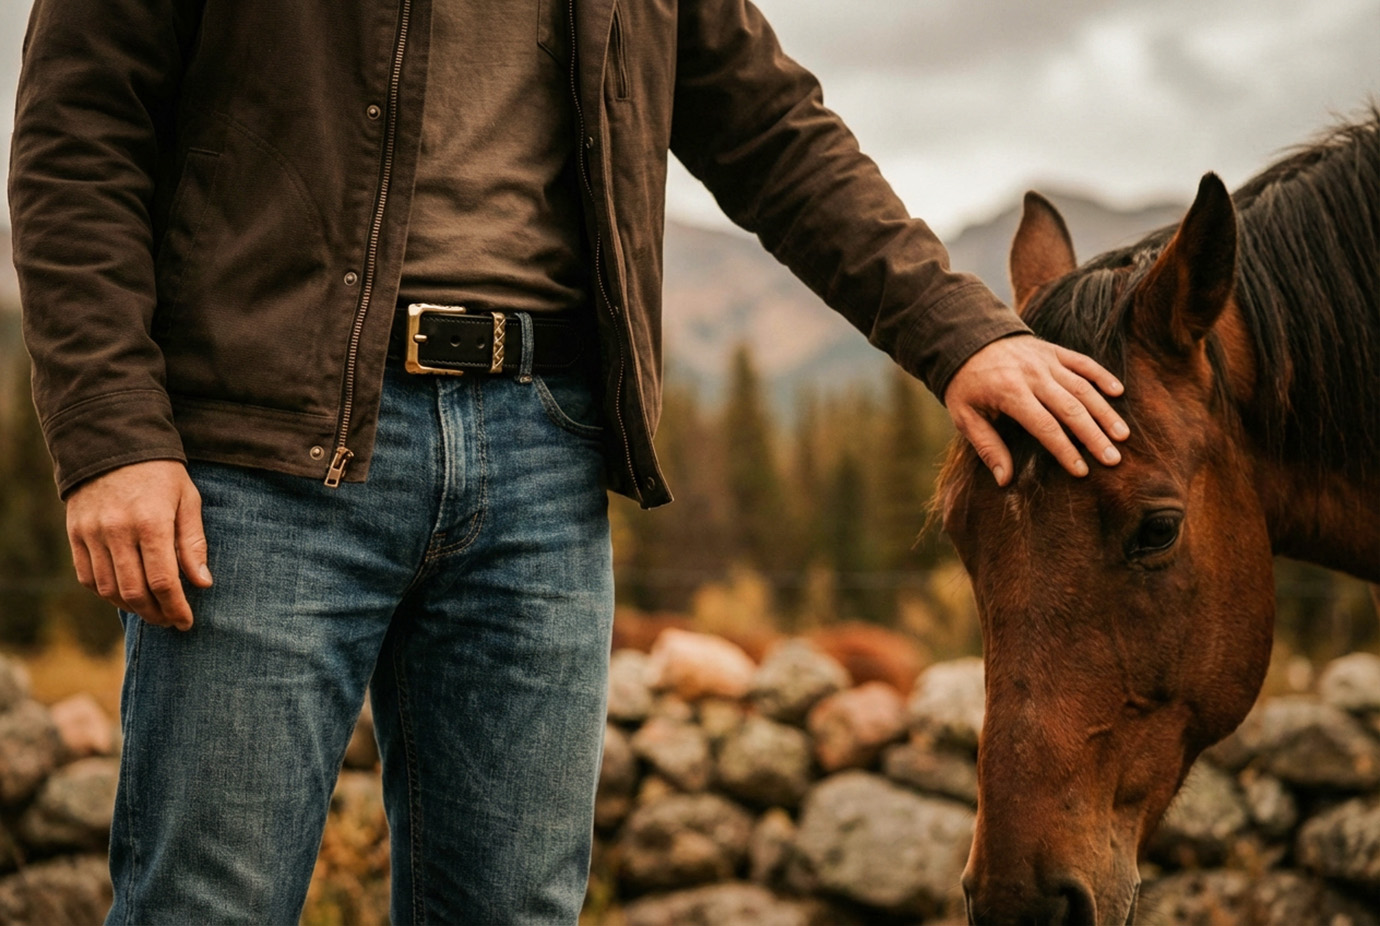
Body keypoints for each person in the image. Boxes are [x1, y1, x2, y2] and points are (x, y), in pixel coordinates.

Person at [9, 0, 1128, 922]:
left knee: (514, 909)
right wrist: (113, 433)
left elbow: (772, 130)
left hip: (541, 450)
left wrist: (961, 330)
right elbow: (78, 131)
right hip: (259, 454)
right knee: (207, 904)